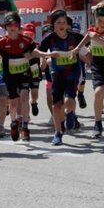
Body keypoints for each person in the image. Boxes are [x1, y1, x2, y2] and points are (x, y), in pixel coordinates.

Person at [72, 2, 104, 143]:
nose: (102, 23)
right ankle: (97, 123)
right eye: (99, 20)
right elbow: (88, 36)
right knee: (98, 92)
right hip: (98, 68)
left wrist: (100, 41)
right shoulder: (93, 30)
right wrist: (77, 49)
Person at [38, 10, 86, 146]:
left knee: (69, 101)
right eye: (58, 22)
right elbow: (37, 51)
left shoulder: (74, 37)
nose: (61, 25)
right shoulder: (50, 38)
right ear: (53, 24)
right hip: (57, 76)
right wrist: (46, 56)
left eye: (64, 22)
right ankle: (58, 133)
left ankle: (70, 114)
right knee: (56, 104)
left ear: (67, 24)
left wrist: (85, 55)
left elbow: (86, 44)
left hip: (72, 74)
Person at [0, 12, 37, 142]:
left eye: (15, 24)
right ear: (6, 27)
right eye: (10, 24)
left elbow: (35, 52)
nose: (13, 27)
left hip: (24, 74)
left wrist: (43, 56)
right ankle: (13, 123)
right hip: (10, 76)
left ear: (19, 26)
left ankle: (25, 126)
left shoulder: (26, 41)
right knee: (12, 103)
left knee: (24, 97)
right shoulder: (2, 43)